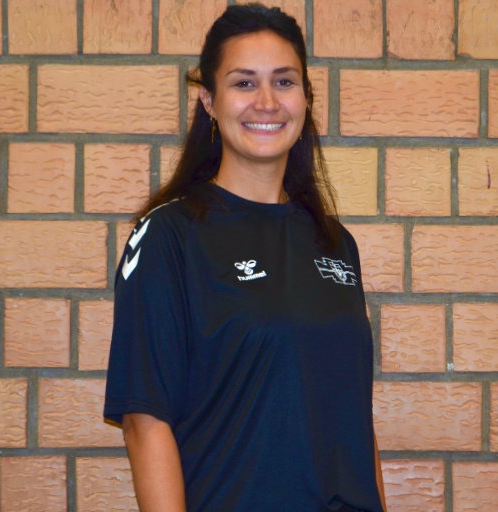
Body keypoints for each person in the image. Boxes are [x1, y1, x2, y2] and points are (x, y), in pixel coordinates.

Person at [104, 4, 387, 511]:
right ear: (209, 101)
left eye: (284, 82)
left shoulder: (335, 243)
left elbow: (354, 422)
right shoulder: (171, 234)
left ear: (306, 98)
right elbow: (144, 420)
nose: (266, 102)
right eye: (244, 83)